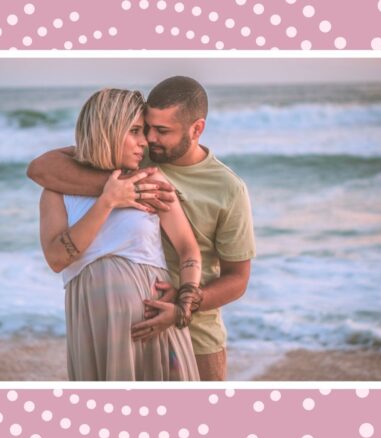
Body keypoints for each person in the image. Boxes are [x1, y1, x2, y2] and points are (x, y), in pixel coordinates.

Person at [29, 76, 256, 381]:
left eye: (162, 131)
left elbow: (237, 279)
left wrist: (184, 304)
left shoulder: (228, 189)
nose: (149, 139)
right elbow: (41, 168)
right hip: (104, 326)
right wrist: (117, 193)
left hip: (197, 332)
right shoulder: (136, 160)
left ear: (196, 129)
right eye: (144, 128)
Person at [38, 88, 201, 381]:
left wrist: (182, 304)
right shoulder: (55, 192)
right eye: (136, 131)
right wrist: (108, 200)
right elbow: (56, 259)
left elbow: (188, 248)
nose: (145, 142)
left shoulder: (151, 181)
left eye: (146, 131)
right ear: (108, 130)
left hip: (152, 322)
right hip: (94, 326)